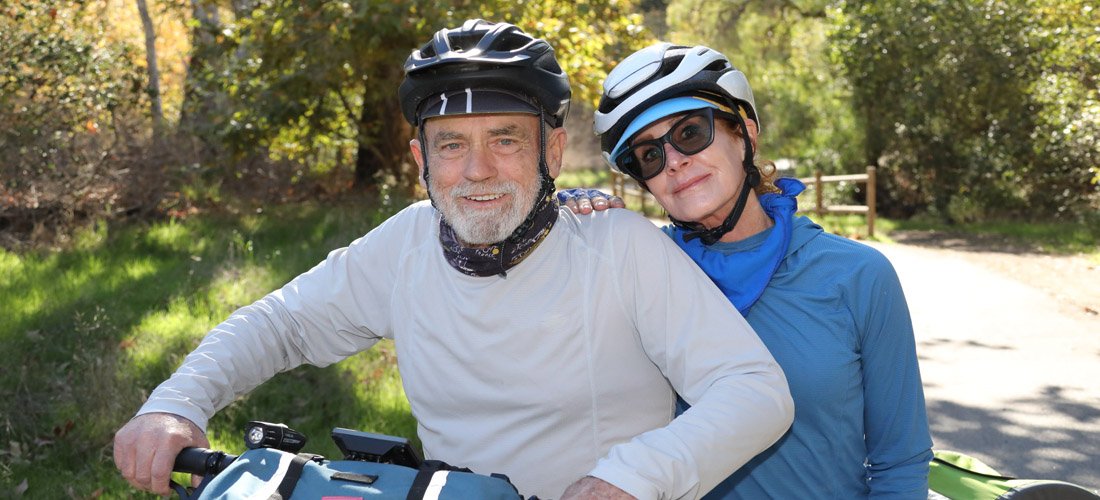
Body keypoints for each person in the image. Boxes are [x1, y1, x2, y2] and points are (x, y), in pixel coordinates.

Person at [112, 21, 794, 500]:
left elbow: (753, 390)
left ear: (552, 153)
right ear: (420, 161)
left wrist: (633, 479)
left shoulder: (619, 247)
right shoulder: (402, 245)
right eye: (450, 145)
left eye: (504, 139)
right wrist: (176, 402)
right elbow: (279, 325)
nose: (478, 171)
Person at [567, 42, 933, 498]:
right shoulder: (639, 273)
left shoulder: (857, 276)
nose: (674, 161)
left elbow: (900, 461)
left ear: (746, 134)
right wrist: (568, 226)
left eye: (690, 133)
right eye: (649, 156)